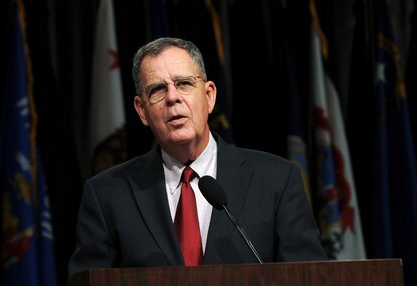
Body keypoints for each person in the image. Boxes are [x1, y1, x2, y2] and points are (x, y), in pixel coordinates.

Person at [67, 37, 327, 279]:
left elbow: (308, 278)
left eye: (184, 83)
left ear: (209, 95)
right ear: (141, 110)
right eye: (157, 89)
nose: (172, 97)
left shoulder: (276, 181)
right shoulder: (106, 195)